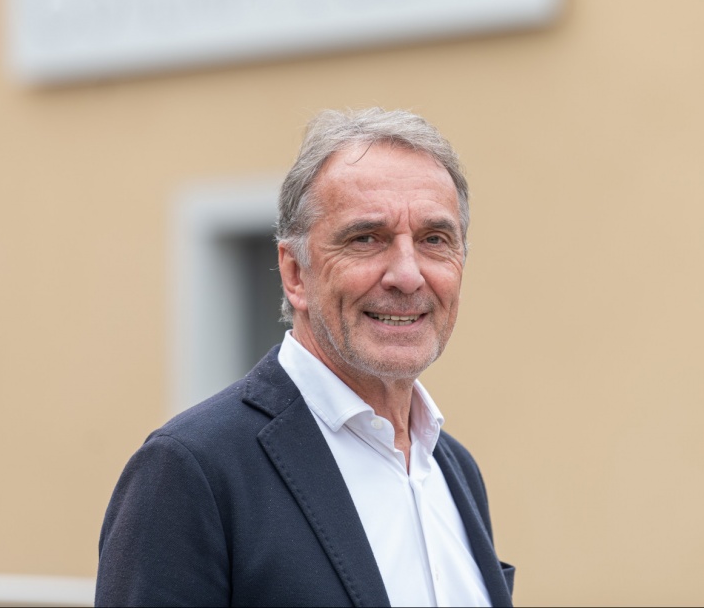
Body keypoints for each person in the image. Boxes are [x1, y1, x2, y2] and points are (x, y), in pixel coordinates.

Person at [95, 108, 514, 607]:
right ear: (295, 273)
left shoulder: (454, 468)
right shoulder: (191, 471)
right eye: (366, 239)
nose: (407, 275)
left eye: (434, 240)